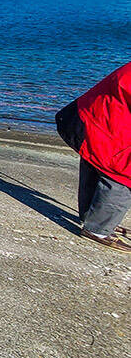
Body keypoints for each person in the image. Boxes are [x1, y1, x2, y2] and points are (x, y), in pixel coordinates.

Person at [58, 61, 131, 253]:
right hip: (100, 125)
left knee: (97, 162)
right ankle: (98, 229)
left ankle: (93, 218)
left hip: (91, 119)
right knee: (122, 172)